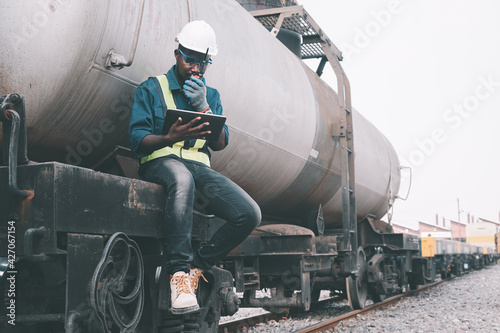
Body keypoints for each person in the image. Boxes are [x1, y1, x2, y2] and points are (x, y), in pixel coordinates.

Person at [128, 20, 261, 315]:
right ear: (177, 54)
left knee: (249, 213)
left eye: (202, 64)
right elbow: (137, 140)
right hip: (160, 164)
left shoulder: (209, 95)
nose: (195, 69)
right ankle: (177, 276)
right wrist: (168, 137)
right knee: (182, 177)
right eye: (190, 61)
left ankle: (195, 267)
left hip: (198, 169)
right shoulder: (152, 88)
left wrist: (203, 106)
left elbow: (221, 143)